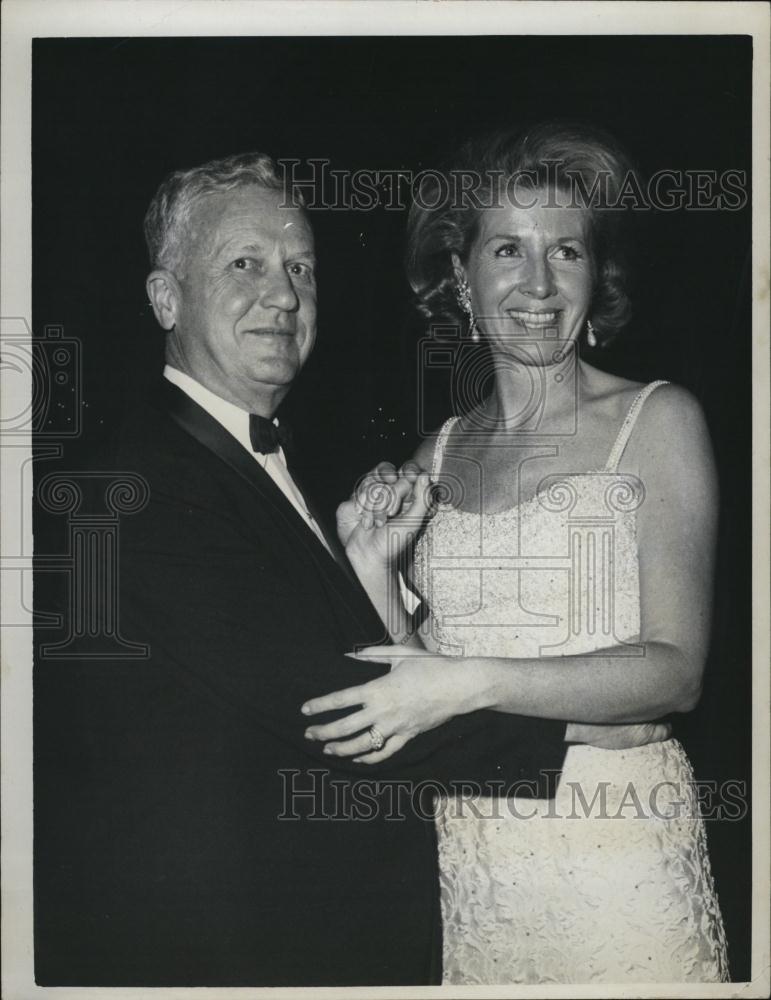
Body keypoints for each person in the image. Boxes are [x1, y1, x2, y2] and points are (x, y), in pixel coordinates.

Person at [33, 150, 655, 987]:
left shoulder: (294, 468)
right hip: (236, 950)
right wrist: (581, 729)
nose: (283, 294)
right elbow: (325, 701)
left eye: (300, 268)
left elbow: (366, 656)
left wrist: (368, 565)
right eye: (244, 264)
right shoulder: (130, 483)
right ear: (165, 296)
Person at [302, 123, 730, 983]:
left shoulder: (658, 421)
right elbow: (418, 687)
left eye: (564, 252)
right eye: (507, 249)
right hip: (474, 860)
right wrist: (373, 566)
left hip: (619, 854)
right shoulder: (434, 455)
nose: (537, 283)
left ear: (593, 276)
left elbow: (675, 671)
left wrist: (476, 681)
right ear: (461, 278)